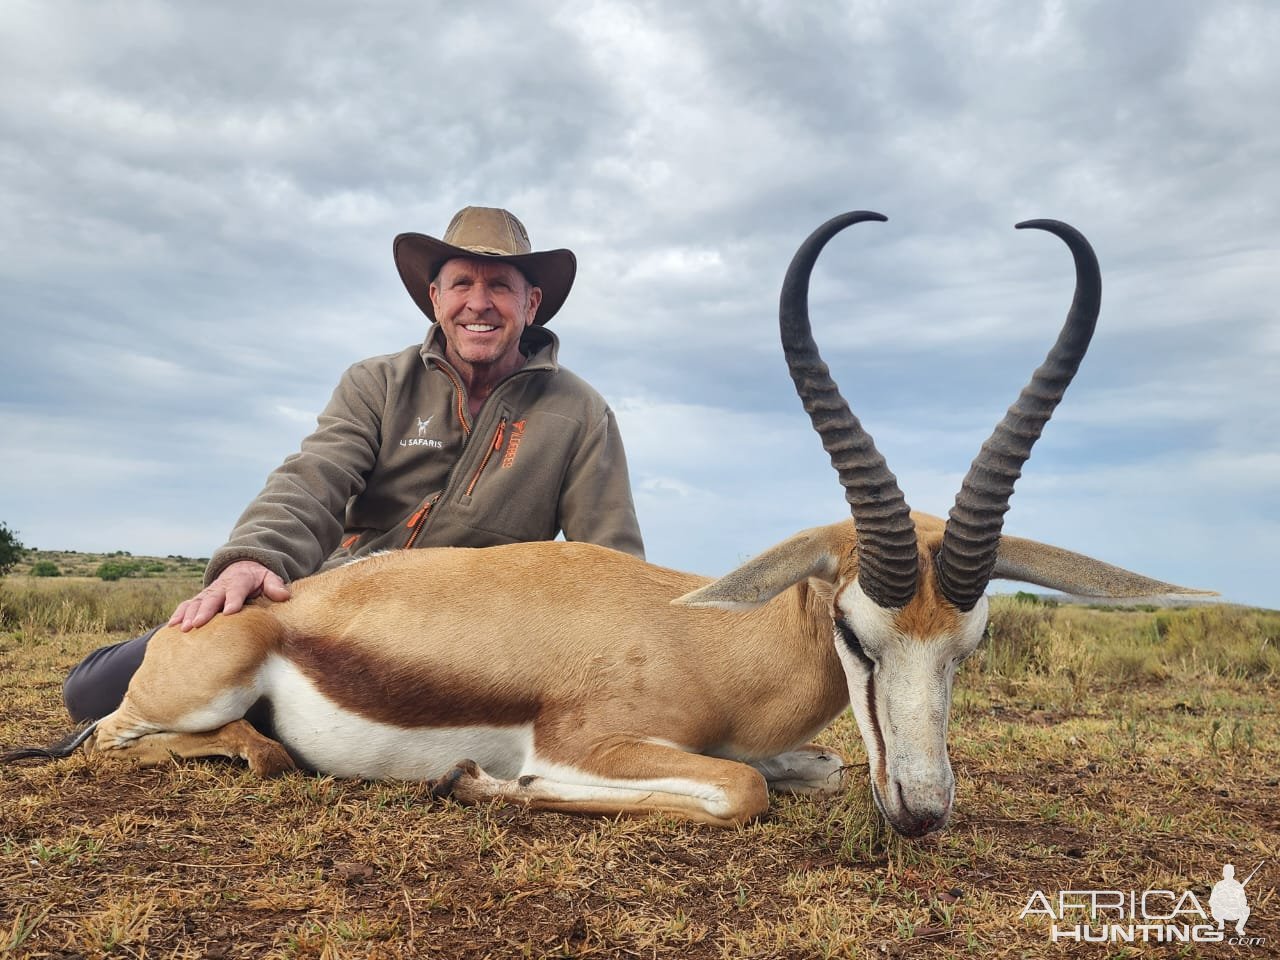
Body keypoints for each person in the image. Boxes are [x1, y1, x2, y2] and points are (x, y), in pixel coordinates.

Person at [64, 206, 644, 722]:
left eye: (500, 285)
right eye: (461, 283)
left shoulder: (581, 412)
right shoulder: (377, 382)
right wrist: (252, 558)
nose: (479, 303)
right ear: (436, 299)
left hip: (481, 632)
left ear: (531, 302)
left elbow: (612, 561)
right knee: (94, 693)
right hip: (342, 605)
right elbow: (314, 478)